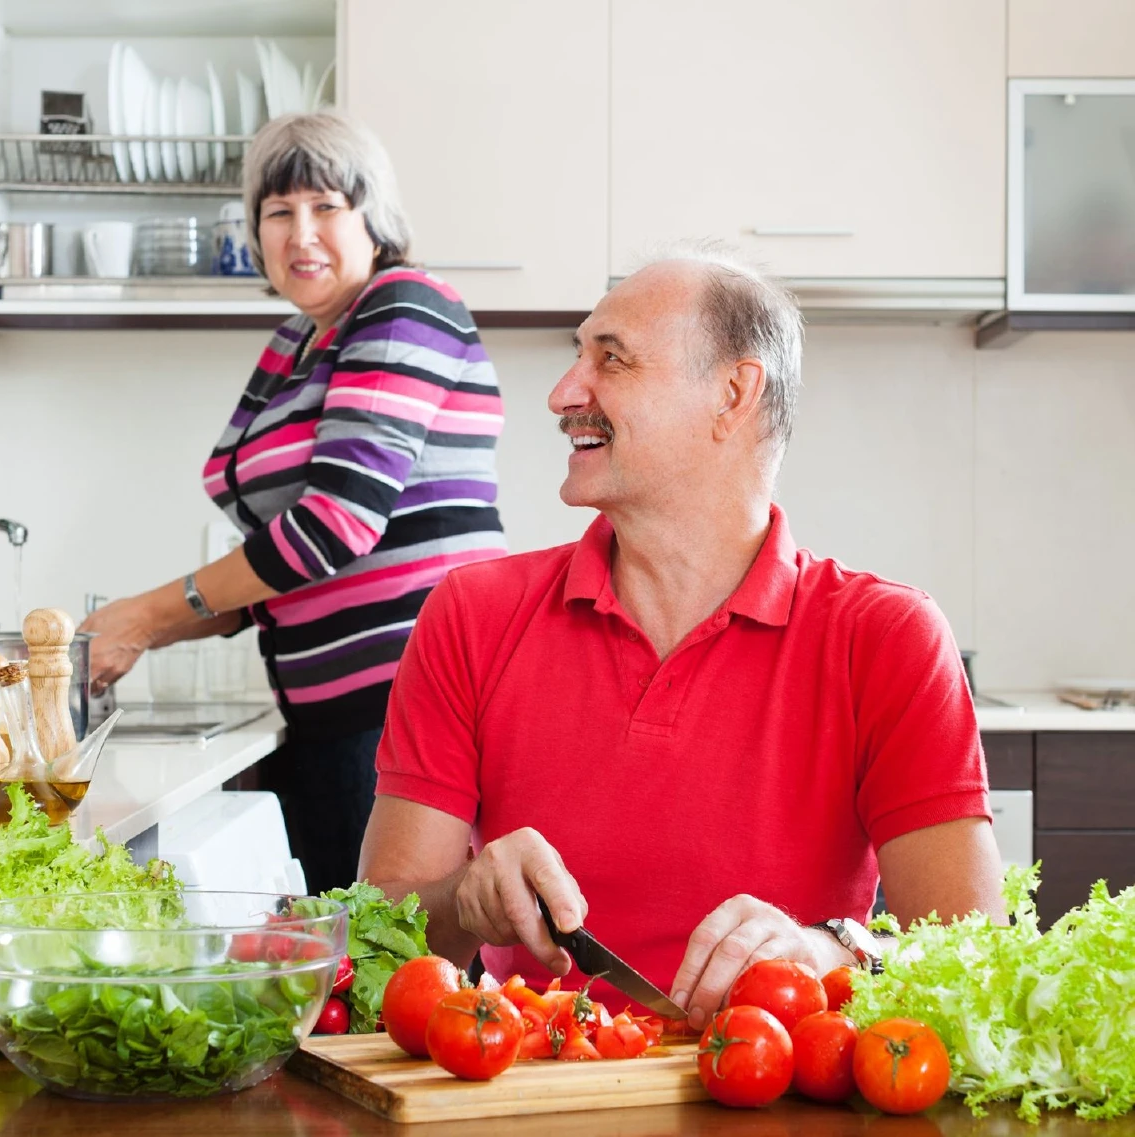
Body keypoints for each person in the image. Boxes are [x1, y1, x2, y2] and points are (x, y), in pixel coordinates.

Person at [359, 240, 1006, 1030]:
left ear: (733, 394)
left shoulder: (886, 636)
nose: (565, 392)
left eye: (612, 358)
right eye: (578, 355)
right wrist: (465, 896)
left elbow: (973, 962)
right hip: (538, 1078)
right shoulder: (471, 614)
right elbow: (379, 934)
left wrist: (828, 951)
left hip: (777, 1083)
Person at [80, 111, 506, 892]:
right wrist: (134, 634)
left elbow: (330, 528)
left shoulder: (403, 305)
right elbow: (279, 563)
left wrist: (147, 615)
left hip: (409, 707)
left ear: (373, 218)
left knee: (401, 952)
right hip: (331, 716)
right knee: (352, 951)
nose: (301, 233)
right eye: (278, 212)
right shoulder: (295, 344)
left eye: (326, 207)